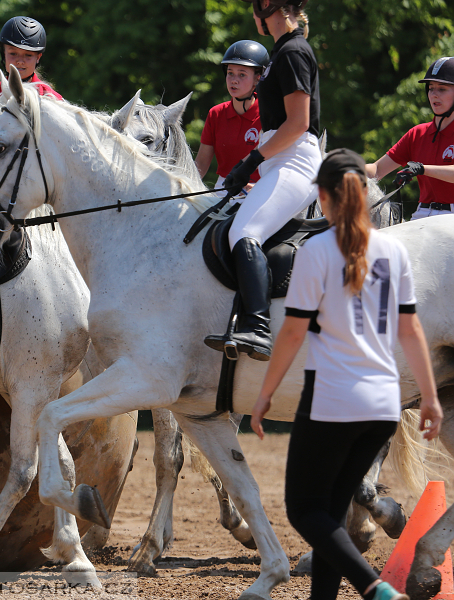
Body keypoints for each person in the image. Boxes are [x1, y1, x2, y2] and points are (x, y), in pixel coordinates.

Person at [250, 148, 443, 600]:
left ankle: (374, 588)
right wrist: (430, 398)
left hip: (332, 397)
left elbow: (294, 332)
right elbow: (410, 329)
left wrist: (264, 395)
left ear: (323, 198)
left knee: (303, 510)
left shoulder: (315, 250)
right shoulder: (393, 249)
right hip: (383, 403)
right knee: (332, 513)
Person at [204, 0, 321, 361]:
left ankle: (257, 326)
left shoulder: (292, 51)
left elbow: (299, 123)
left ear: (267, 8)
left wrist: (251, 159)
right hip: (280, 161)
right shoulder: (281, 52)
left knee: (244, 232)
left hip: (295, 160)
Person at [365, 57, 454, 220]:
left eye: (442, 89)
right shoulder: (417, 133)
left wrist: (422, 169)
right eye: (431, 88)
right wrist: (344, 169)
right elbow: (377, 170)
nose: (434, 94)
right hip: (422, 214)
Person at [195, 40, 270, 201]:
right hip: (223, 190)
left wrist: (259, 187)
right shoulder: (215, 113)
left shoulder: (269, 115)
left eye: (242, 74)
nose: (234, 80)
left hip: (260, 191)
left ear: (258, 79)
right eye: (230, 73)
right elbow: (200, 165)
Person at [0, 16, 63, 100]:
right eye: (13, 53)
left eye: (28, 55)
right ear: (4, 53)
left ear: (38, 57)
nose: (20, 61)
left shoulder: (52, 99)